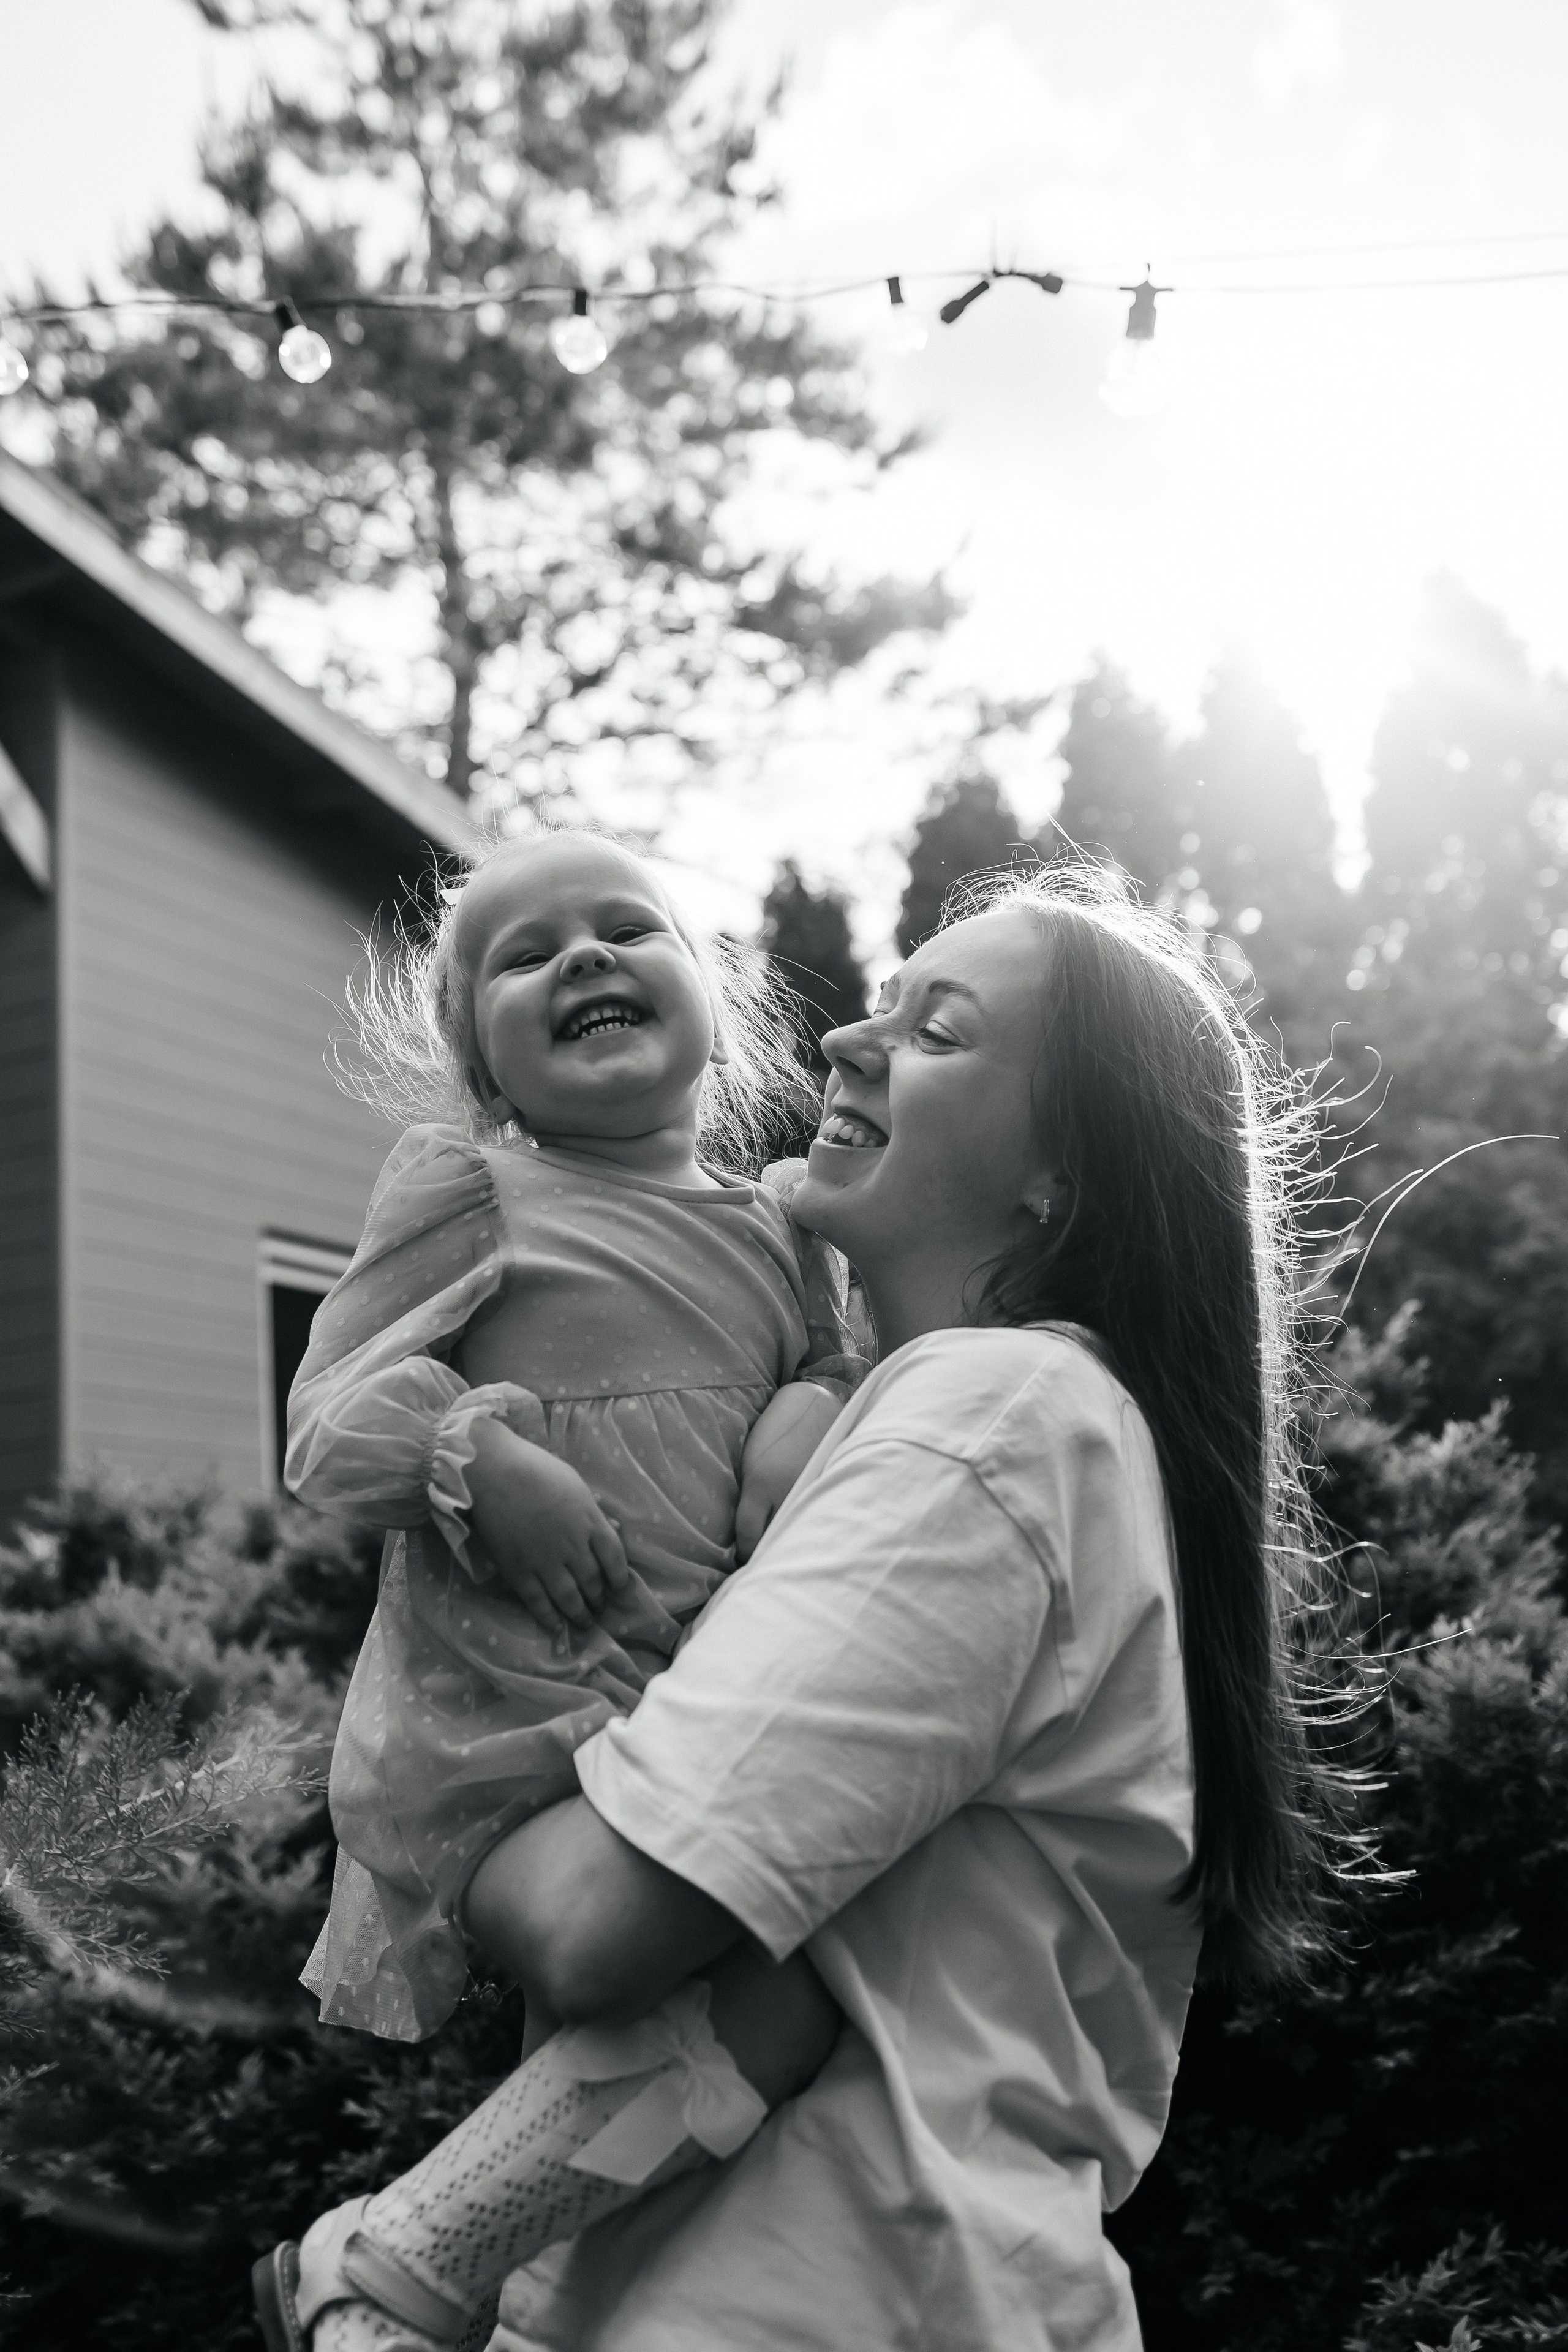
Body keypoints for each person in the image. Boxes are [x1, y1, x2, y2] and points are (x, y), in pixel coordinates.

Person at [262, 861, 1343, 2352]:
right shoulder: (937, 1409)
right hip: (782, 2277)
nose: (850, 1039)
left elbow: (589, 1923)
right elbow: (332, 1420)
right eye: (881, 1003)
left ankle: (388, 2262)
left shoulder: (987, 1415)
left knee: (759, 2003)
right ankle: (397, 2267)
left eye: (941, 1029)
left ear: (1063, 1176)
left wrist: (450, 1846)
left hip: (832, 2295)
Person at [276, 822, 865, 2065]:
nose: (585, 958)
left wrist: (801, 1413)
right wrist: (475, 1461)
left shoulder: (779, 1228)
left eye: (626, 928)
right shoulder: (471, 1193)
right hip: (525, 1716)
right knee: (608, 2002)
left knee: (771, 2025)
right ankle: (427, 2249)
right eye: (528, 955)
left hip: (713, 1687)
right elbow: (325, 1421)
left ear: (715, 998)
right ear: (483, 1067)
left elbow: (831, 1365)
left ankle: (482, 2249)